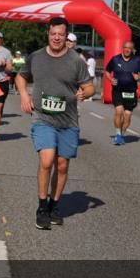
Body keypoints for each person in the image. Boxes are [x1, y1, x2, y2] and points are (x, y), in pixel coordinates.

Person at [15, 17, 94, 230]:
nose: (56, 38)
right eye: (53, 34)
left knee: (62, 164)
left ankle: (54, 205)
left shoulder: (76, 60)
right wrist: (24, 95)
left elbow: (90, 87)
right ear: (48, 34)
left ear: (66, 36)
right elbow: (21, 77)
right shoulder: (36, 57)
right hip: (43, 118)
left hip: (68, 120)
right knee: (47, 159)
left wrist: (84, 93)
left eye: (61, 34)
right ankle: (42, 207)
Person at [105, 40, 140, 145]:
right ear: (122, 48)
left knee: (127, 116)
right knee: (119, 111)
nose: (127, 50)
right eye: (125, 48)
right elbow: (107, 71)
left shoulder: (137, 61)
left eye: (129, 48)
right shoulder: (115, 59)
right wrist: (111, 79)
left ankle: (122, 134)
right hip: (117, 90)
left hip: (131, 91)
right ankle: (118, 135)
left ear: (132, 50)